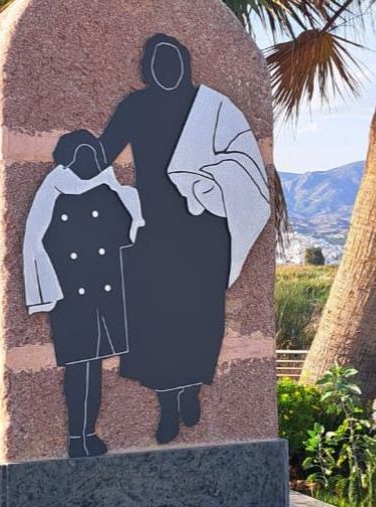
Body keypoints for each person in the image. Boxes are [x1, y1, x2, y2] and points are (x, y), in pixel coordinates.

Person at [98, 34, 269, 444]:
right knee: (153, 318)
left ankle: (190, 389)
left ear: (186, 64)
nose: (166, 69)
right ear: (147, 68)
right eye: (157, 61)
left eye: (172, 60)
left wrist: (211, 178)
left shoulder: (212, 108)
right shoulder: (135, 106)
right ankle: (167, 403)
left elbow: (243, 159)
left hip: (203, 228)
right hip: (153, 230)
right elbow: (104, 153)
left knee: (198, 315)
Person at [23, 130, 144, 457]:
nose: (88, 162)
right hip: (71, 295)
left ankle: (88, 432)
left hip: (107, 290)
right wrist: (46, 290)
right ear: (68, 159)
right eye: (81, 155)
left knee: (97, 365)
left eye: (92, 153)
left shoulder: (111, 190)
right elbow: (36, 243)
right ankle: (78, 437)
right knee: (81, 366)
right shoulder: (53, 193)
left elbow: (130, 233)